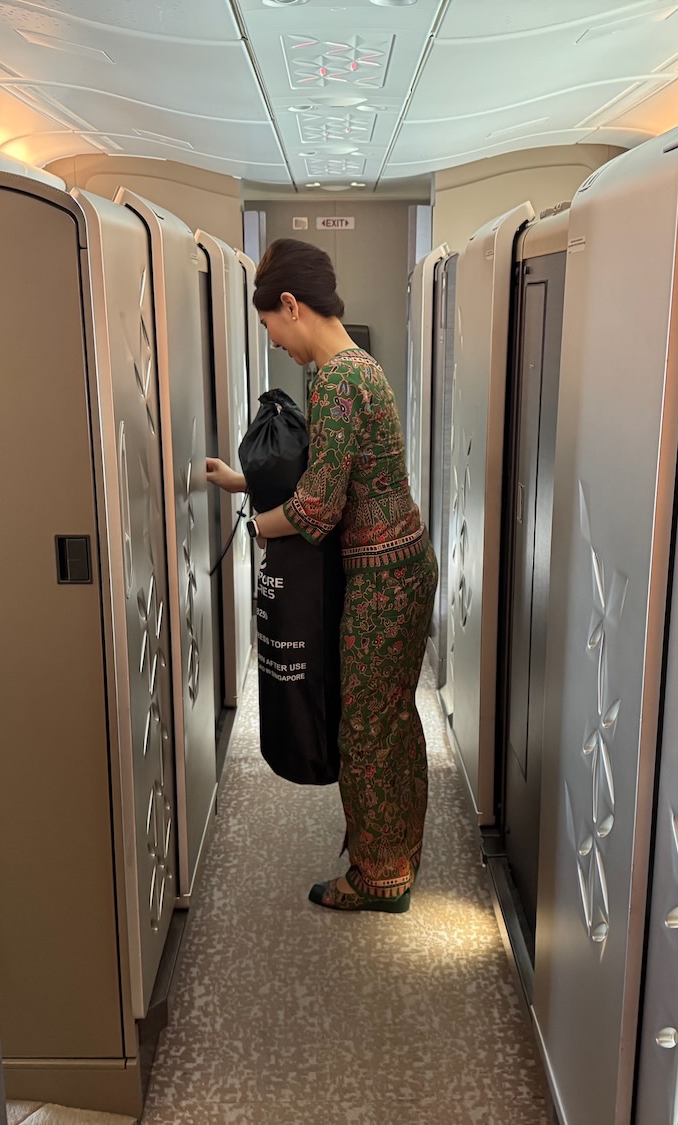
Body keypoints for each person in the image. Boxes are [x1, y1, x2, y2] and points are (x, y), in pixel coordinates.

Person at [205, 238, 437, 914]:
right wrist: (244, 481)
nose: (274, 342)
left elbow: (315, 508)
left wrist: (254, 526)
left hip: (384, 581)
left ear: (290, 304)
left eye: (269, 326)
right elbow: (330, 473)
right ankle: (396, 852)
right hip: (402, 565)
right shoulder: (361, 368)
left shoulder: (335, 381)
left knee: (363, 729)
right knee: (390, 719)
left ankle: (378, 877)